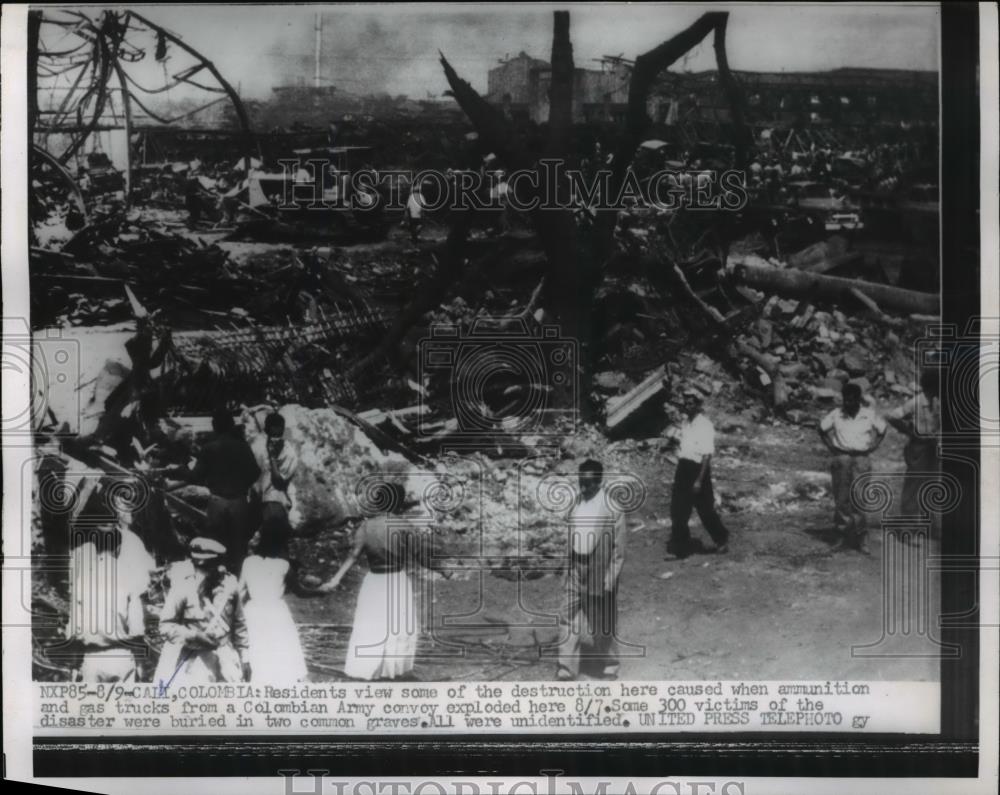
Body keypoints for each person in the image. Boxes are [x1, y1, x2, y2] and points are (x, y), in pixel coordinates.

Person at [320, 482, 422, 681]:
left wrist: (335, 580)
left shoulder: (366, 526)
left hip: (374, 582)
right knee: (397, 627)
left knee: (371, 626)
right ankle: (393, 670)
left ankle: (366, 669)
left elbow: (353, 555)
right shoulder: (403, 525)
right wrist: (445, 570)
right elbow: (421, 555)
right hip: (397, 582)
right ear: (398, 503)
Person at [556, 459, 627, 681]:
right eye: (581, 483)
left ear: (599, 482)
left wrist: (610, 578)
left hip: (598, 568)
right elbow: (570, 535)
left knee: (601, 620)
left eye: (588, 484)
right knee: (568, 616)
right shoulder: (577, 502)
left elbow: (619, 551)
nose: (584, 488)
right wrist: (566, 567)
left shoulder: (612, 507)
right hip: (576, 567)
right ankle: (566, 668)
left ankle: (609, 666)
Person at [168, 408, 260, 573]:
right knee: (238, 547)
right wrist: (241, 486)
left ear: (215, 426)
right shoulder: (242, 446)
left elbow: (195, 477)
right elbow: (255, 472)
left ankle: (217, 583)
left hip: (218, 502)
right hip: (239, 502)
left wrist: (179, 470)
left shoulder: (210, 448)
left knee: (215, 547)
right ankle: (238, 583)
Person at [154, 537, 250, 685]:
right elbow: (165, 626)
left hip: (226, 659)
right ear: (198, 564)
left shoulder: (230, 584)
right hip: (194, 662)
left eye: (219, 565)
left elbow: (240, 625)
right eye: (212, 567)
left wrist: (245, 658)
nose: (220, 570)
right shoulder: (183, 586)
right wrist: (195, 635)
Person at [66, 524, 151, 682]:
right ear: (119, 547)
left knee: (92, 706)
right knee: (124, 706)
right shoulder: (130, 579)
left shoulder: (82, 580)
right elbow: (136, 629)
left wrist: (75, 665)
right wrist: (140, 666)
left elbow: (75, 630)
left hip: (92, 658)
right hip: (122, 657)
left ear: (94, 547)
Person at [819, 382, 888, 553]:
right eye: (845, 400)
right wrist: (831, 447)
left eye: (852, 400)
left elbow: (882, 430)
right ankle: (841, 536)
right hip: (842, 458)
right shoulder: (836, 414)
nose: (848, 403)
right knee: (841, 498)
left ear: (858, 400)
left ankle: (861, 538)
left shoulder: (869, 414)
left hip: (861, 458)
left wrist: (874, 446)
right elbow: (821, 429)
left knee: (860, 499)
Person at [665, 389, 729, 560]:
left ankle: (721, 538)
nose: (687, 405)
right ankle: (681, 547)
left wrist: (699, 480)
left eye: (691, 402)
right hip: (683, 468)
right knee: (678, 509)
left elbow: (707, 455)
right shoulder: (686, 423)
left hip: (699, 469)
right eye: (686, 402)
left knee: (705, 509)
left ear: (698, 405)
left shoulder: (705, 425)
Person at [239, 525, 308, 683]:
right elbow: (299, 591)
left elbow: (239, 591)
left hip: (253, 611)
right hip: (276, 612)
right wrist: (320, 590)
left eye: (257, 537)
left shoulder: (248, 562)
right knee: (281, 648)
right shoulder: (283, 565)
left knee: (258, 648)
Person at [886, 369, 942, 539]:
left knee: (932, 485)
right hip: (919, 447)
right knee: (913, 486)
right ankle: (907, 528)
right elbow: (892, 416)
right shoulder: (916, 402)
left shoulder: (940, 402)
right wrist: (910, 432)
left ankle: (930, 526)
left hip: (934, 447)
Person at [249, 411, 299, 559]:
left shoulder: (287, 452)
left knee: (272, 544)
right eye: (272, 434)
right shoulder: (259, 447)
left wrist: (272, 457)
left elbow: (279, 481)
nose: (275, 439)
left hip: (273, 500)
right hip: (262, 500)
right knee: (265, 546)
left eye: (278, 434)